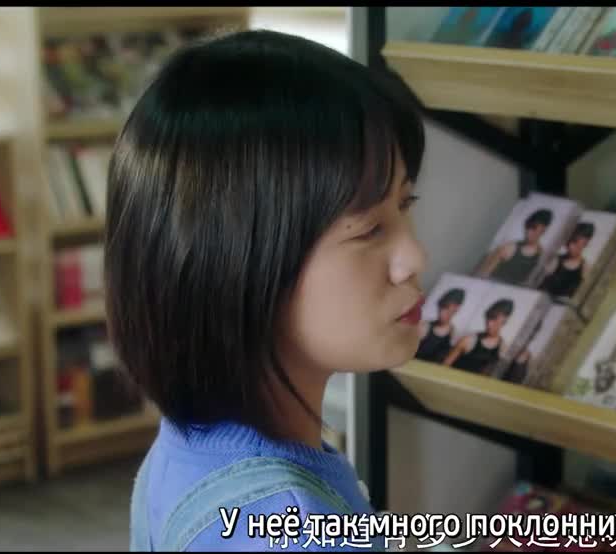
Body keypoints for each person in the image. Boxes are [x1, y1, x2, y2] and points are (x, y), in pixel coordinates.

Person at [113, 30, 429, 551]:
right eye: (370, 230)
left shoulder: (192, 446)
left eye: (405, 205)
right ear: (237, 261)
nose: (414, 258)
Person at [478, 208, 553, 286]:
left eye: (536, 229)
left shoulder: (542, 255)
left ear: (543, 230)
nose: (530, 232)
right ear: (526, 227)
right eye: (530, 227)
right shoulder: (509, 247)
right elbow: (483, 273)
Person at [444, 299, 514, 376]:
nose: (489, 324)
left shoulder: (503, 349)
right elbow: (444, 366)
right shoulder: (468, 340)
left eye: (495, 320)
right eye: (488, 318)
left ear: (504, 320)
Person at [539, 222, 595, 300]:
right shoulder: (556, 260)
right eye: (570, 241)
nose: (570, 246)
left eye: (576, 242)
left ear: (585, 243)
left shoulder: (585, 267)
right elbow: (541, 285)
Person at [416, 288, 465, 364]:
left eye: (449, 310)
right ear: (439, 306)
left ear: (456, 309)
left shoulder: (454, 334)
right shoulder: (424, 326)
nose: (443, 314)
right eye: (443, 308)